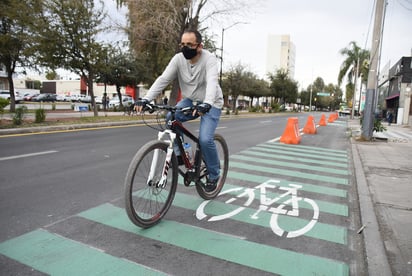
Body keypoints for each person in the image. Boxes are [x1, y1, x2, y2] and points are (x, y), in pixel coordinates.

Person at [138, 29, 224, 192]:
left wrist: (206, 104)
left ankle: (214, 174)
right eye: (182, 44)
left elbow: (212, 82)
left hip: (211, 103)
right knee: (171, 116)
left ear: (199, 46)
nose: (185, 48)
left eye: (189, 44)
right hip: (191, 100)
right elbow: (163, 79)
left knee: (205, 140)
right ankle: (182, 153)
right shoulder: (178, 59)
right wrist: (146, 99)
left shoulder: (209, 59)